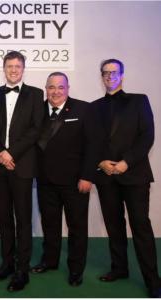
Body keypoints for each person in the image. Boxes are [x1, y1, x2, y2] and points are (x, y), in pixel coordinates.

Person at [92, 58, 161, 298]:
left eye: (114, 72)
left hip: (134, 176)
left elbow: (147, 136)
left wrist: (126, 163)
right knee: (114, 226)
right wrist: (101, 162)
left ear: (122, 75)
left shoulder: (139, 100)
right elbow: (92, 141)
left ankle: (153, 280)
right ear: (101, 76)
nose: (109, 76)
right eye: (105, 73)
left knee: (140, 227)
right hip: (106, 176)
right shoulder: (95, 106)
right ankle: (119, 268)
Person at [31, 72, 99, 286]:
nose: (56, 91)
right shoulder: (37, 110)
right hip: (45, 181)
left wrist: (87, 176)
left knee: (77, 227)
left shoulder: (83, 109)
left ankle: (76, 269)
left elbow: (93, 146)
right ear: (46, 89)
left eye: (60, 87)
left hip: (75, 182)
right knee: (50, 224)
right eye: (51, 87)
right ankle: (49, 261)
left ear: (68, 88)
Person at [0, 51, 44, 291]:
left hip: (22, 165)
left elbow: (35, 129)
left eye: (18, 66)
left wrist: (12, 153)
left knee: (23, 219)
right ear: (4, 68)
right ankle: (7, 263)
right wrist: (1, 152)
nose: (13, 70)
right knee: (4, 219)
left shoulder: (35, 94)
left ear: (23, 68)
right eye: (9, 66)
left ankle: (22, 270)